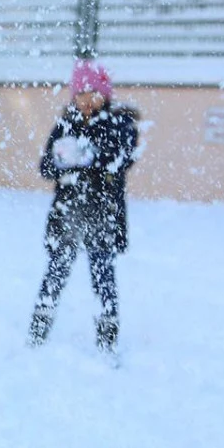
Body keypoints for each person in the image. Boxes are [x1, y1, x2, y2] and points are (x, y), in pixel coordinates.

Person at [28, 60, 140, 356]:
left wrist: (89, 156)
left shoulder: (120, 123)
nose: (87, 100)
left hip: (102, 214)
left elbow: (121, 158)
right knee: (56, 270)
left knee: (102, 272)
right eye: (80, 94)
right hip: (68, 213)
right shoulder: (65, 124)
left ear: (105, 95)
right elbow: (46, 167)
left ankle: (107, 334)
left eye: (93, 94)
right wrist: (62, 160)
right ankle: (39, 327)